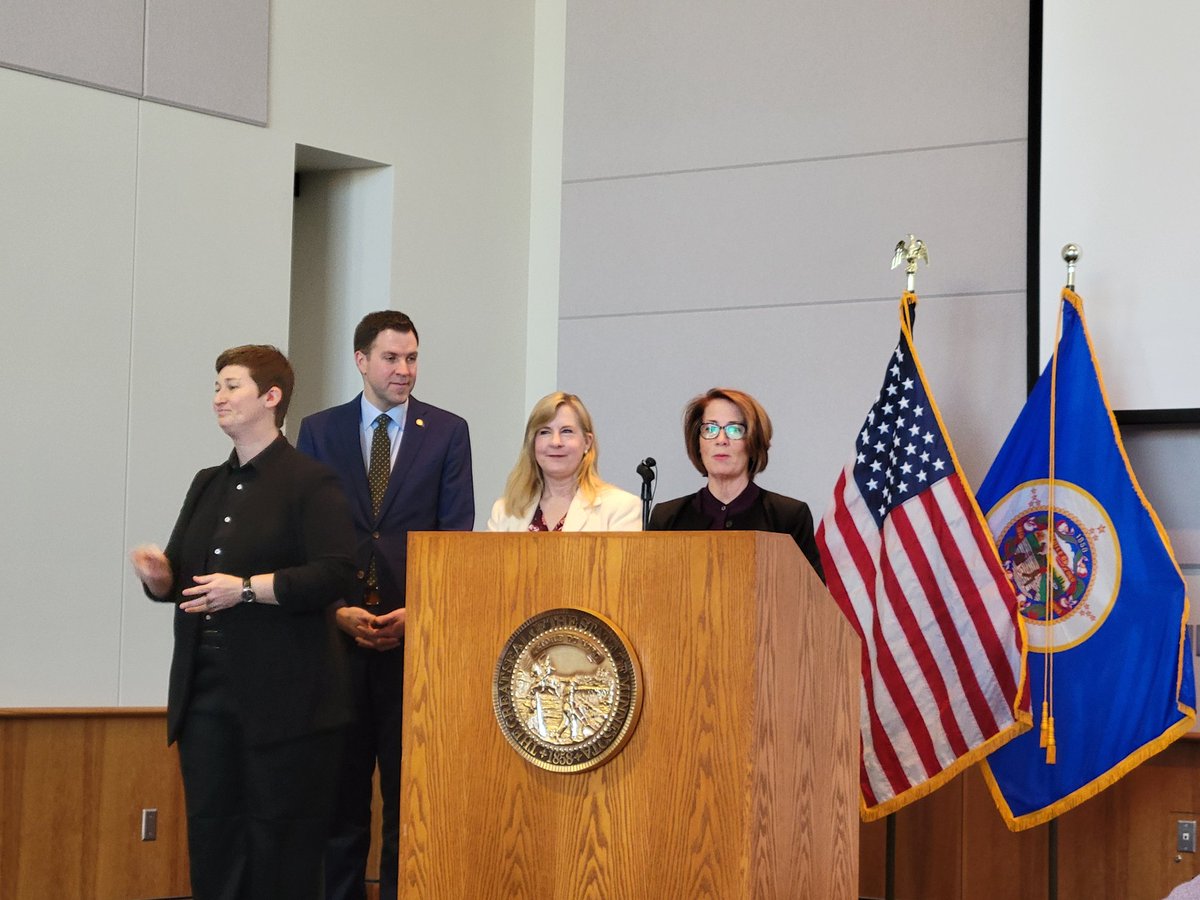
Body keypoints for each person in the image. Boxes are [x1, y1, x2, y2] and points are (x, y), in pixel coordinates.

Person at [129, 345, 356, 900]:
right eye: (216, 387)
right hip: (206, 694)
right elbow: (184, 583)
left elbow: (335, 573)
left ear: (270, 397)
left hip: (286, 700)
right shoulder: (207, 481)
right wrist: (159, 576)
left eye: (232, 386)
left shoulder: (310, 481)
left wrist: (250, 590)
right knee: (213, 835)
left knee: (281, 842)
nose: (219, 398)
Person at [295, 310, 474, 900]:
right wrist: (337, 608)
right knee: (339, 803)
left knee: (409, 803)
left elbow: (455, 535)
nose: (405, 370)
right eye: (393, 358)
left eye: (413, 358)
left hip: (414, 645)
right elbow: (310, 536)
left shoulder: (447, 431)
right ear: (361, 360)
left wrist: (420, 611)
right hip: (338, 641)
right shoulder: (320, 430)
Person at [647, 387, 824, 580]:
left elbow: (810, 601)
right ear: (698, 443)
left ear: (753, 442)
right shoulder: (667, 518)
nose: (721, 440)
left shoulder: (787, 516)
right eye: (710, 429)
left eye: (734, 430)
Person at [486, 391, 641, 532]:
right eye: (545, 432)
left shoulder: (621, 507)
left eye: (567, 431)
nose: (556, 442)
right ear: (532, 443)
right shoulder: (504, 511)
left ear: (587, 442)